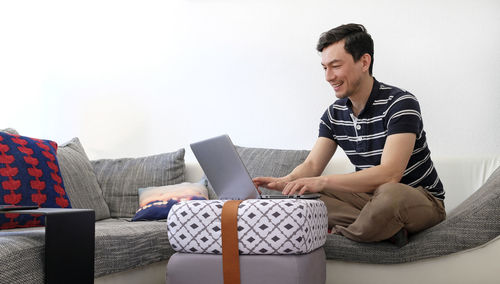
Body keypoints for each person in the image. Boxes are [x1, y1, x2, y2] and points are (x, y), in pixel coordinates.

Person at [253, 23, 446, 246]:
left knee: (390, 194)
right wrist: (285, 182)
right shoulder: (334, 115)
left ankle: (351, 232)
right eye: (324, 67)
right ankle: (386, 230)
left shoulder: (400, 103)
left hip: (419, 199)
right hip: (370, 200)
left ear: (364, 62)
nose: (328, 76)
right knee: (301, 197)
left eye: (335, 66)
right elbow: (312, 165)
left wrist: (323, 182)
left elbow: (390, 174)